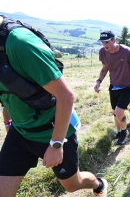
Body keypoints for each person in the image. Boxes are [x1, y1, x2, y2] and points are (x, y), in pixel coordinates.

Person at [0, 15, 108, 197]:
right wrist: (8, 123)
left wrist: (56, 145)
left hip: (52, 131)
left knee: (73, 185)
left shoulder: (20, 43)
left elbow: (66, 96)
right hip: (20, 132)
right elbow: (8, 91)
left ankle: (99, 185)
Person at [94, 30, 130, 145]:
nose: (105, 45)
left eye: (107, 42)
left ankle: (125, 132)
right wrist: (99, 81)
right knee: (115, 112)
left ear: (114, 40)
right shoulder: (103, 52)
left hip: (128, 86)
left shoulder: (127, 52)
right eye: (103, 43)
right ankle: (119, 132)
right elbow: (105, 68)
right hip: (114, 85)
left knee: (119, 112)